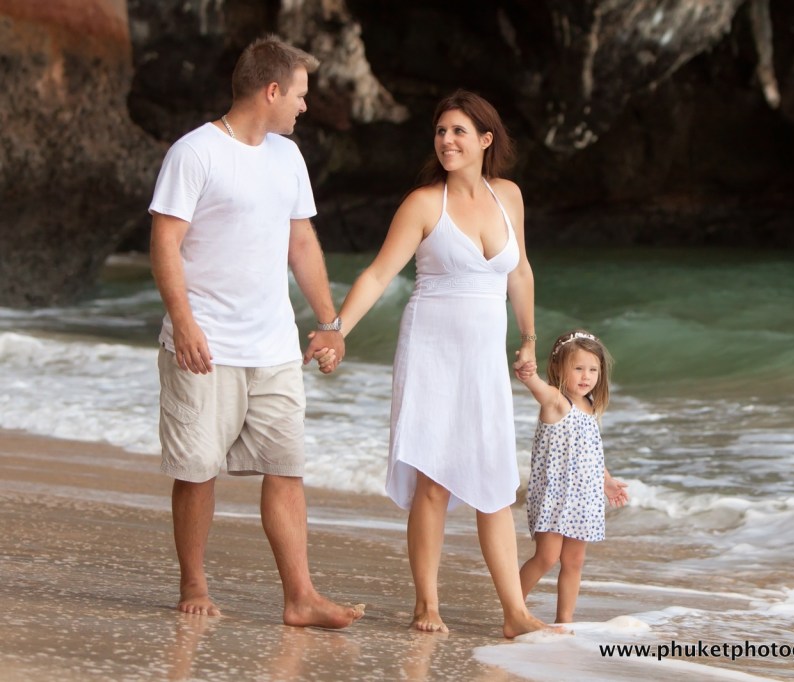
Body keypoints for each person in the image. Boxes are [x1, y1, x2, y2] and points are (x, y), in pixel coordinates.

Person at [148, 34, 363, 629]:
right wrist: (185, 322)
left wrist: (329, 323)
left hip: (273, 344)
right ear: (271, 90)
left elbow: (301, 243)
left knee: (286, 466)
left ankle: (300, 596)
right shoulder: (195, 153)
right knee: (197, 470)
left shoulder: (287, 158)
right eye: (299, 94)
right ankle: (193, 581)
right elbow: (165, 242)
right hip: (206, 344)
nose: (304, 105)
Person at [322, 88, 551, 637]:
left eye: (458, 132)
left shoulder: (509, 197)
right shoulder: (425, 204)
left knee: (494, 480)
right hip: (431, 350)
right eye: (441, 131)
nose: (447, 140)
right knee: (434, 481)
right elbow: (379, 274)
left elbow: (519, 272)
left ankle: (515, 613)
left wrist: (528, 338)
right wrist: (336, 331)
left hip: (482, 358)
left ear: (485, 140)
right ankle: (427, 604)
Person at [515, 329, 629, 624]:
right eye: (578, 368)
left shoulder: (590, 406)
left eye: (593, 369)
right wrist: (528, 371)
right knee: (547, 557)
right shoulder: (555, 401)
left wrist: (607, 480)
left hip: (584, 498)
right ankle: (513, 608)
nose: (586, 376)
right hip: (555, 496)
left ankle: (564, 622)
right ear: (558, 368)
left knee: (574, 561)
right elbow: (533, 384)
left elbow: (591, 452)